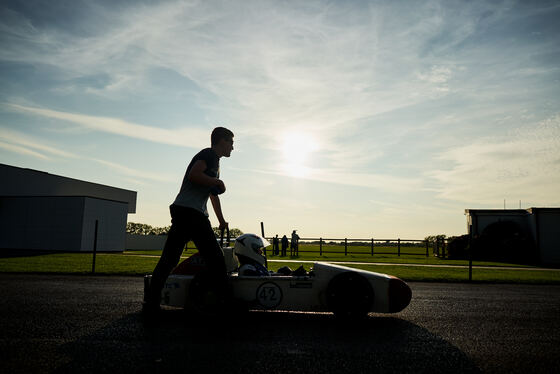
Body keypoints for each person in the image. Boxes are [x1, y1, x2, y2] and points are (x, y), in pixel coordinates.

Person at [143, 127, 234, 320]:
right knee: (216, 258)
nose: (233, 147)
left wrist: (221, 220)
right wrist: (217, 182)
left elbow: (211, 194)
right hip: (191, 213)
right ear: (221, 141)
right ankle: (225, 304)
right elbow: (194, 175)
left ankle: (151, 304)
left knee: (169, 259)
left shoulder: (215, 162)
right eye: (231, 142)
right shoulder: (208, 154)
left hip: (185, 211)